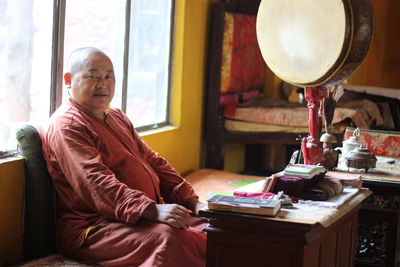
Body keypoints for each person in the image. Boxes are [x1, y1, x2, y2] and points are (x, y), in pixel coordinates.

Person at [41, 47, 207, 266]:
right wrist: (151, 209)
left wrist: (192, 202)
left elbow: (153, 162)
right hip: (96, 227)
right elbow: (95, 182)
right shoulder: (67, 125)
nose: (103, 84)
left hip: (139, 219)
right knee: (174, 240)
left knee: (219, 229)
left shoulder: (116, 116)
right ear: (69, 80)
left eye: (109, 76)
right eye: (93, 76)